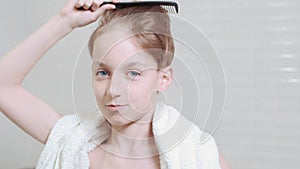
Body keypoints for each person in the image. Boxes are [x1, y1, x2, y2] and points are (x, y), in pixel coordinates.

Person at [0, 0, 231, 168]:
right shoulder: (69, 144)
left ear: (163, 78)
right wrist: (64, 21)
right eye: (103, 72)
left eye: (133, 73)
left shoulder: (199, 157)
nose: (113, 90)